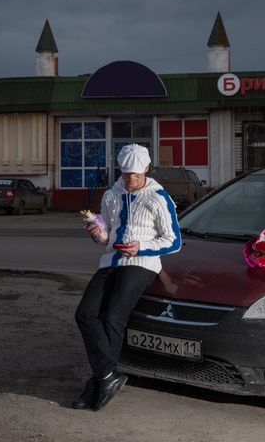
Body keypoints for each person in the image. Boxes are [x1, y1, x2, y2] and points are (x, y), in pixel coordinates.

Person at [73, 144, 182, 411]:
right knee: (85, 314)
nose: (130, 179)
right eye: (125, 174)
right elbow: (107, 235)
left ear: (146, 168)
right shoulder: (111, 195)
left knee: (113, 317)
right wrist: (97, 232)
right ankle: (107, 375)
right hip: (112, 260)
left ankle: (98, 383)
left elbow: (174, 241)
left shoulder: (158, 197)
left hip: (142, 262)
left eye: (134, 173)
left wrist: (141, 247)